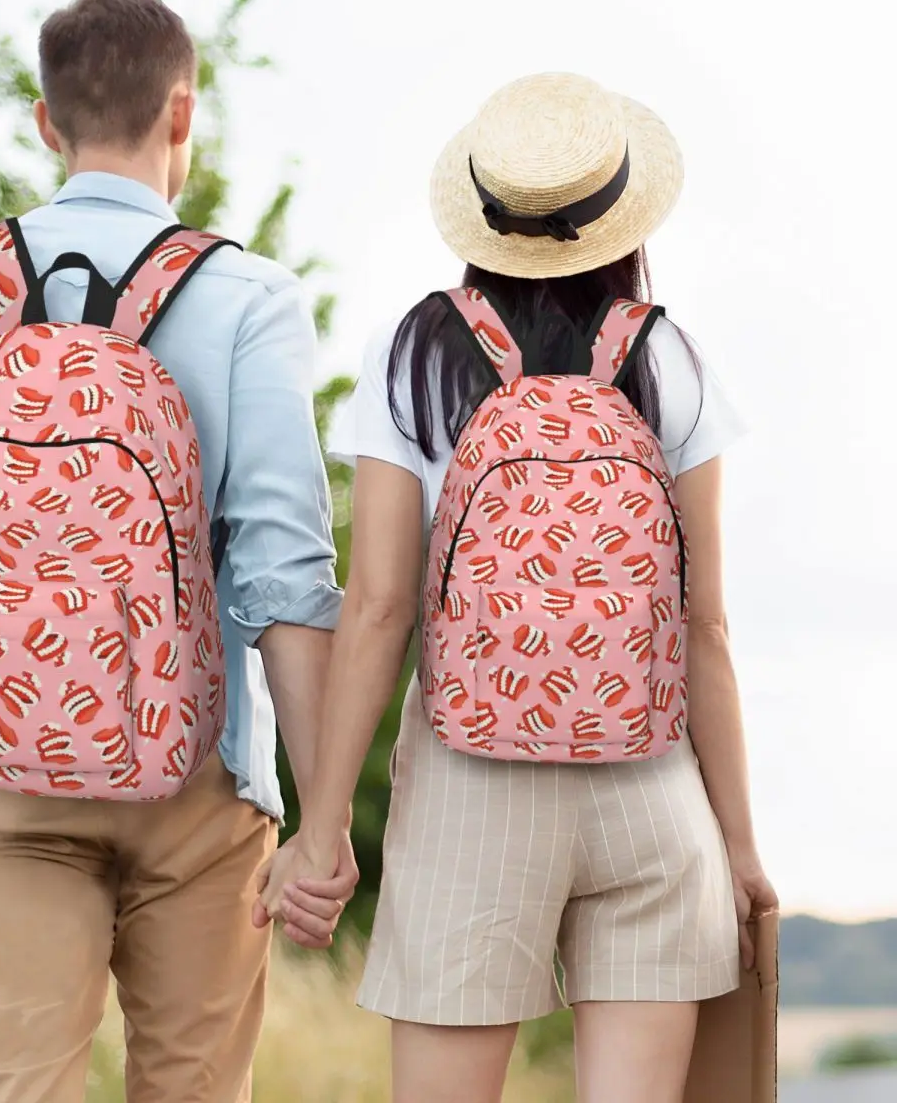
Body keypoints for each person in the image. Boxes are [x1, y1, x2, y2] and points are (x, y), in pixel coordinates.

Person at [0, 0, 358, 1103]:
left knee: (22, 1089)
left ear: (46, 122)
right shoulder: (247, 297)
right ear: (183, 116)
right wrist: (324, 818)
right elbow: (285, 581)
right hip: (198, 776)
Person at [257, 72, 777, 1103]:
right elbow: (705, 624)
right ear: (621, 217)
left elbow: (379, 609)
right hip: (652, 787)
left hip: (469, 786)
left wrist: (321, 831)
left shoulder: (414, 353)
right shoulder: (669, 357)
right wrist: (739, 845)